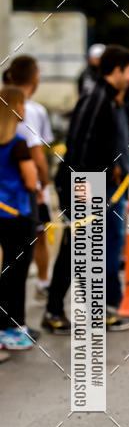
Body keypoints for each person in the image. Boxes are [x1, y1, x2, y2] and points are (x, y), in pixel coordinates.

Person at [43, 45, 129, 334]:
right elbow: (80, 145)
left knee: (84, 251)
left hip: (92, 182)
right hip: (83, 184)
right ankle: (57, 311)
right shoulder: (96, 98)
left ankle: (89, 311)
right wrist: (82, 187)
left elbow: (99, 143)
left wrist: (113, 166)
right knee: (77, 250)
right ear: (117, 70)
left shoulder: (106, 98)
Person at [6, 55, 54, 304]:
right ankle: (42, 284)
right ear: (35, 78)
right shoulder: (33, 112)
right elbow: (37, 157)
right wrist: (43, 183)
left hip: (7, 197)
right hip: (25, 195)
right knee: (32, 242)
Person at [0, 87, 39, 350]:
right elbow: (31, 181)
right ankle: (14, 329)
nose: (25, 109)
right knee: (18, 272)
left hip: (2, 215)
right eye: (22, 104)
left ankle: (6, 326)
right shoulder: (18, 144)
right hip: (19, 215)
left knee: (6, 271)